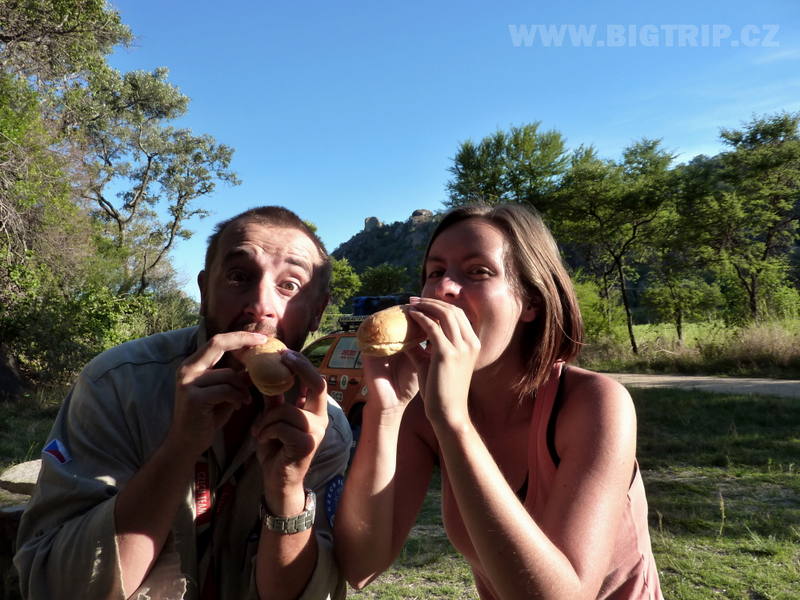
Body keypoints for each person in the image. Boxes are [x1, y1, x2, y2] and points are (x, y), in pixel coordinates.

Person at [14, 206, 352, 600]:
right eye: (239, 277)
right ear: (205, 290)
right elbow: (58, 585)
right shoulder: (117, 385)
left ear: (317, 311)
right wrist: (180, 447)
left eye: (289, 285)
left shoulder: (323, 428)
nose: (260, 305)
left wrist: (289, 491)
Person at [334, 203, 664, 599]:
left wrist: (454, 422)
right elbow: (360, 566)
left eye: (477, 271)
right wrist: (385, 413)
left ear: (531, 302)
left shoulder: (594, 404)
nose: (443, 288)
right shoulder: (423, 413)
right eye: (435, 272)